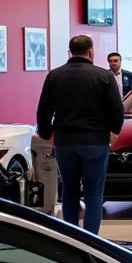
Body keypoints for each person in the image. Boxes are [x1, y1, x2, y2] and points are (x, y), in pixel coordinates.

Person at [35, 34, 124, 234]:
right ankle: (92, 241)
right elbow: (117, 110)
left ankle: (72, 238)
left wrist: (46, 133)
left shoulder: (54, 76)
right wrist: (114, 132)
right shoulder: (104, 76)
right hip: (95, 141)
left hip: (65, 142)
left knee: (69, 190)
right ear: (91, 51)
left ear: (70, 52)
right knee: (93, 193)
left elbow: (43, 111)